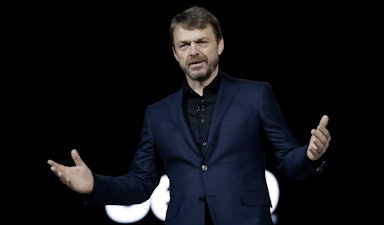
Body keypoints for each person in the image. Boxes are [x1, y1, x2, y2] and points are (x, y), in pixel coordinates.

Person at [47, 5, 331, 225]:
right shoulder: (157, 114)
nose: (193, 52)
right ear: (174, 53)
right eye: (184, 45)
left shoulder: (255, 95)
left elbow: (286, 160)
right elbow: (141, 184)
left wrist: (310, 155)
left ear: (219, 45)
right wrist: (95, 184)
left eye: (201, 42)